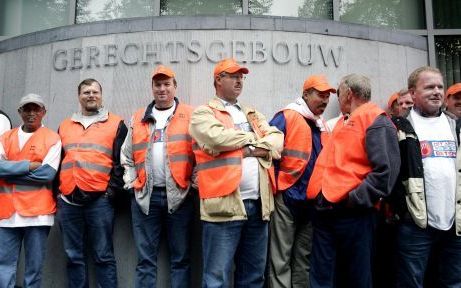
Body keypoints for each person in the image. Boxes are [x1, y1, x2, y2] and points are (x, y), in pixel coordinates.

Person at [189, 58, 283, 288]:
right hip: (224, 206)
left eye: (241, 76)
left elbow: (277, 139)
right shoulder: (203, 112)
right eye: (233, 76)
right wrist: (255, 142)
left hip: (259, 205)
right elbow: (216, 138)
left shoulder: (251, 113)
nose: (239, 80)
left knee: (253, 278)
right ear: (218, 80)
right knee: (216, 279)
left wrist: (245, 148)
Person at [307, 74, 400, 288]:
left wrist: (354, 199)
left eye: (338, 94)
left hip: (353, 215)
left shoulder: (376, 120)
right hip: (326, 212)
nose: (337, 100)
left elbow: (386, 173)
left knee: (355, 277)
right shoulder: (345, 121)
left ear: (349, 94)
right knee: (324, 277)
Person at [121, 65, 195, 288]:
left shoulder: (191, 115)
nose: (162, 89)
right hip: (146, 197)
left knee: (180, 259)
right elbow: (126, 156)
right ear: (152, 88)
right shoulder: (138, 117)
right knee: (145, 260)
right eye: (157, 85)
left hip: (181, 197)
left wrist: (193, 183)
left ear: (175, 87)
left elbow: (201, 151)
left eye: (166, 84)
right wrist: (131, 181)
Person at [390, 67, 461, 288]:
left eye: (440, 87)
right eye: (429, 87)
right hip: (416, 224)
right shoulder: (398, 127)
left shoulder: (455, 126)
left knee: (453, 283)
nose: (437, 92)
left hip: (455, 224)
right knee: (411, 284)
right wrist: (403, 210)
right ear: (413, 94)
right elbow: (389, 172)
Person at [56, 79, 127, 288]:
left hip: (100, 201)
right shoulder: (65, 125)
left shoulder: (116, 123)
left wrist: (111, 193)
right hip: (68, 200)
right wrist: (58, 194)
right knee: (73, 257)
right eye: (86, 92)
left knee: (103, 256)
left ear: (101, 95)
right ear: (79, 96)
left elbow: (122, 161)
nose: (91, 95)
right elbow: (59, 159)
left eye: (95, 91)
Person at [268, 75, 336, 288]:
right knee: (281, 260)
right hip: (287, 199)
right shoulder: (287, 116)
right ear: (305, 94)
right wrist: (277, 188)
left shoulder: (322, 124)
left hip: (311, 202)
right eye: (320, 95)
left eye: (327, 96)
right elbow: (268, 152)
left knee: (303, 259)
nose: (324, 100)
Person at [0, 93, 61, 288]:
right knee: (4, 266)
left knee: (34, 269)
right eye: (27, 109)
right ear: (20, 112)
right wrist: (29, 166)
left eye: (36, 109)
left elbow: (47, 175)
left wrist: (9, 171)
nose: (31, 113)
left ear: (44, 112)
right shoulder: (5, 137)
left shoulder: (52, 138)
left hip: (38, 214)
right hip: (7, 214)